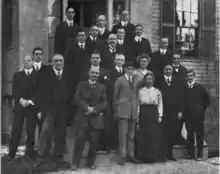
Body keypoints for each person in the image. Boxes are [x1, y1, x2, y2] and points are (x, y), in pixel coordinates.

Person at [37, 54, 74, 164]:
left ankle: (57, 155)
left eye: (61, 60)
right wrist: (40, 109)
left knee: (60, 132)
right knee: (46, 131)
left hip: (63, 108)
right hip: (49, 108)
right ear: (53, 62)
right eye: (56, 61)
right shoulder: (45, 75)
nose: (59, 63)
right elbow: (41, 92)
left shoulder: (67, 75)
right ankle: (41, 155)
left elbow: (71, 91)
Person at [70, 67, 107, 170]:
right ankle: (75, 163)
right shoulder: (81, 85)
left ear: (98, 74)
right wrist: (86, 108)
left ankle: (91, 163)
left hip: (95, 119)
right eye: (92, 72)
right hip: (83, 118)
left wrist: (95, 109)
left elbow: (104, 103)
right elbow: (76, 99)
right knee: (79, 142)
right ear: (89, 73)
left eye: (96, 73)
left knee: (94, 143)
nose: (94, 74)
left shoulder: (102, 87)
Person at [8, 55, 39, 162]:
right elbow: (15, 90)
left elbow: (40, 91)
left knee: (30, 132)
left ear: (32, 62)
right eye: (25, 61)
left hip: (31, 108)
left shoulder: (37, 76)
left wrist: (30, 101)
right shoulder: (18, 75)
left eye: (28, 61)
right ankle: (11, 154)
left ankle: (29, 155)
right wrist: (21, 100)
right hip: (20, 107)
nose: (26, 62)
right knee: (16, 130)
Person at [155, 64, 184, 161]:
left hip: (174, 112)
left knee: (172, 133)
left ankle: (170, 154)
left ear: (172, 70)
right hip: (162, 111)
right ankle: (162, 155)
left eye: (170, 69)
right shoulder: (158, 81)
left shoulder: (177, 81)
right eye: (166, 69)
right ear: (163, 70)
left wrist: (180, 110)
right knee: (162, 133)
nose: (168, 71)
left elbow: (181, 97)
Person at [135, 71, 165, 162]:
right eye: (147, 79)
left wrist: (160, 115)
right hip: (144, 113)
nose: (149, 81)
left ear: (153, 80)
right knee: (144, 135)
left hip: (153, 113)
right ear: (144, 80)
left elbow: (160, 104)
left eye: (150, 79)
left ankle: (153, 157)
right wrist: (138, 115)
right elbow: (138, 104)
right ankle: (143, 157)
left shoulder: (157, 91)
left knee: (153, 135)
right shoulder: (140, 91)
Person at [114, 61, 140, 165]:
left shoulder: (136, 80)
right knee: (123, 134)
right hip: (123, 110)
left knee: (131, 135)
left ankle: (131, 155)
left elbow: (137, 96)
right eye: (129, 69)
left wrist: (137, 110)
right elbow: (115, 97)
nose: (130, 71)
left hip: (133, 110)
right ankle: (122, 156)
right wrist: (116, 111)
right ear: (125, 69)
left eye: (132, 69)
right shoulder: (119, 80)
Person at [184, 70, 210, 161]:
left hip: (198, 115)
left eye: (191, 76)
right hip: (188, 115)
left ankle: (199, 155)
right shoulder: (184, 88)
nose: (190, 77)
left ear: (194, 76)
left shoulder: (200, 87)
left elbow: (207, 100)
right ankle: (190, 154)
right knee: (189, 135)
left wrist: (201, 109)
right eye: (188, 76)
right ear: (186, 77)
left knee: (199, 135)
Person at [106, 53, 125, 151]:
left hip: (124, 101)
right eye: (118, 60)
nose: (120, 62)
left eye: (122, 60)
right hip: (114, 100)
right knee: (113, 122)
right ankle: (113, 145)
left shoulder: (126, 74)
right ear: (114, 61)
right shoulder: (110, 73)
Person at [171, 52, 188, 145]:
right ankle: (172, 139)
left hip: (181, 97)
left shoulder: (184, 70)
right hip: (171, 97)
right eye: (174, 58)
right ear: (172, 59)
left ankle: (179, 137)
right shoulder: (168, 69)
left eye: (178, 58)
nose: (176, 60)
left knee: (180, 119)